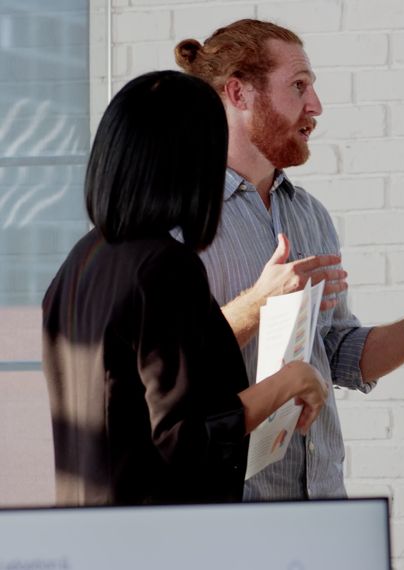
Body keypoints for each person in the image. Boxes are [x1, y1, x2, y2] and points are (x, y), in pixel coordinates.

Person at [173, 20, 404, 500]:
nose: (316, 106)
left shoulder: (310, 215)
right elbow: (169, 367)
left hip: (322, 497)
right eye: (298, 86)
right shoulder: (178, 221)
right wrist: (259, 303)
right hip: (232, 504)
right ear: (239, 93)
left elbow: (336, 356)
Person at [42, 70, 328, 506]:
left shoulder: (79, 262)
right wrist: (289, 381)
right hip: (158, 532)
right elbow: (184, 440)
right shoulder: (164, 267)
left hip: (88, 528)